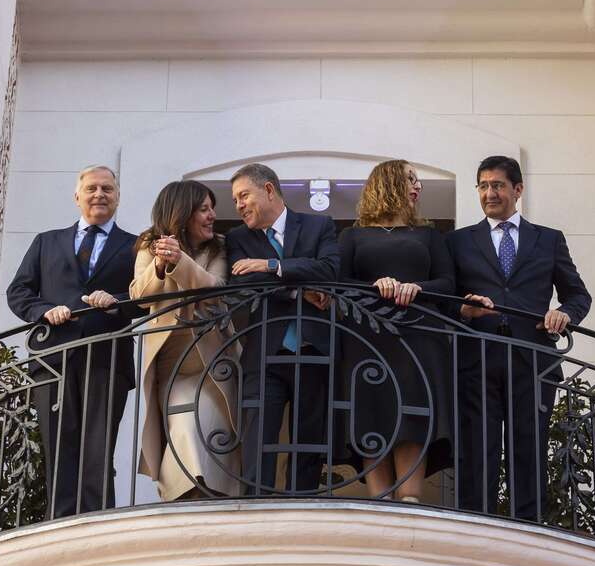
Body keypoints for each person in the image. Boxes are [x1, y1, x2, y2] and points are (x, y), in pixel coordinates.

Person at [447, 155, 591, 521]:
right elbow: (446, 300)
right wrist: (462, 310)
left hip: (533, 358)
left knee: (529, 448)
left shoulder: (548, 239)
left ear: (518, 189)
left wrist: (565, 314)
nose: (489, 193)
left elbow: (578, 295)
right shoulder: (458, 242)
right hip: (476, 359)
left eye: (497, 185)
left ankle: (528, 529)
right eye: (483, 185)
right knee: (478, 448)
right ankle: (476, 526)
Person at [6, 165, 139, 516]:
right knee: (59, 444)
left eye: (107, 189)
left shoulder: (135, 246)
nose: (100, 195)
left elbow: (144, 300)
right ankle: (60, 522)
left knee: (98, 446)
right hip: (55, 358)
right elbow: (18, 293)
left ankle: (97, 520)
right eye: (92, 188)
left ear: (118, 198)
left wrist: (116, 303)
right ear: (77, 196)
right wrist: (46, 310)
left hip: (107, 358)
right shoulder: (46, 242)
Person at [338, 160, 454, 503]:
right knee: (372, 410)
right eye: (410, 179)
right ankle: (379, 499)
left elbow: (448, 284)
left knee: (413, 409)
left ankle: (410, 497)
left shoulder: (429, 235)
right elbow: (338, 282)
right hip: (366, 336)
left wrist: (415, 287)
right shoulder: (352, 235)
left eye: (418, 180)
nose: (417, 186)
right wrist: (375, 285)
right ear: (387, 183)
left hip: (417, 334)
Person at [226, 163, 340, 495]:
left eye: (243, 195)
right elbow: (244, 284)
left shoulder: (319, 225)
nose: (239, 205)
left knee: (309, 440)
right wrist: (300, 289)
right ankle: (254, 510)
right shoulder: (238, 237)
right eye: (235, 200)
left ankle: (302, 507)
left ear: (269, 190)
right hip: (264, 353)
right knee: (258, 438)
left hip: (314, 350)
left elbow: (330, 269)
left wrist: (272, 265)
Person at [130, 180, 241, 500]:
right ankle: (184, 501)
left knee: (212, 429)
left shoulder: (219, 246)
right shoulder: (149, 245)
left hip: (212, 363)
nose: (212, 216)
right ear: (184, 212)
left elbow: (216, 286)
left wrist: (180, 262)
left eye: (212, 209)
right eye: (204, 209)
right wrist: (161, 265)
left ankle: (213, 499)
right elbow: (139, 295)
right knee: (183, 428)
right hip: (171, 364)